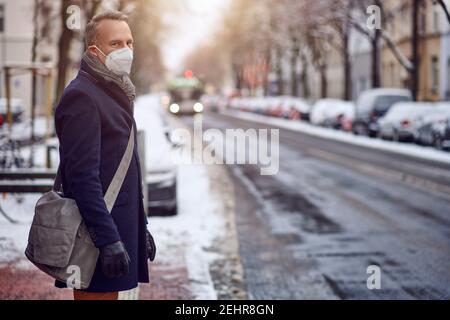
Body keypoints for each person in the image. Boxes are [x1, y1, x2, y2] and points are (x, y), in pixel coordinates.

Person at [54, 10, 156, 300]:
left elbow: (123, 167)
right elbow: (82, 178)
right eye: (115, 43)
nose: (125, 50)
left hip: (115, 228)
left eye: (129, 42)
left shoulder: (113, 92)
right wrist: (108, 239)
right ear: (94, 51)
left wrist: (141, 225)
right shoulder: (83, 96)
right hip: (95, 236)